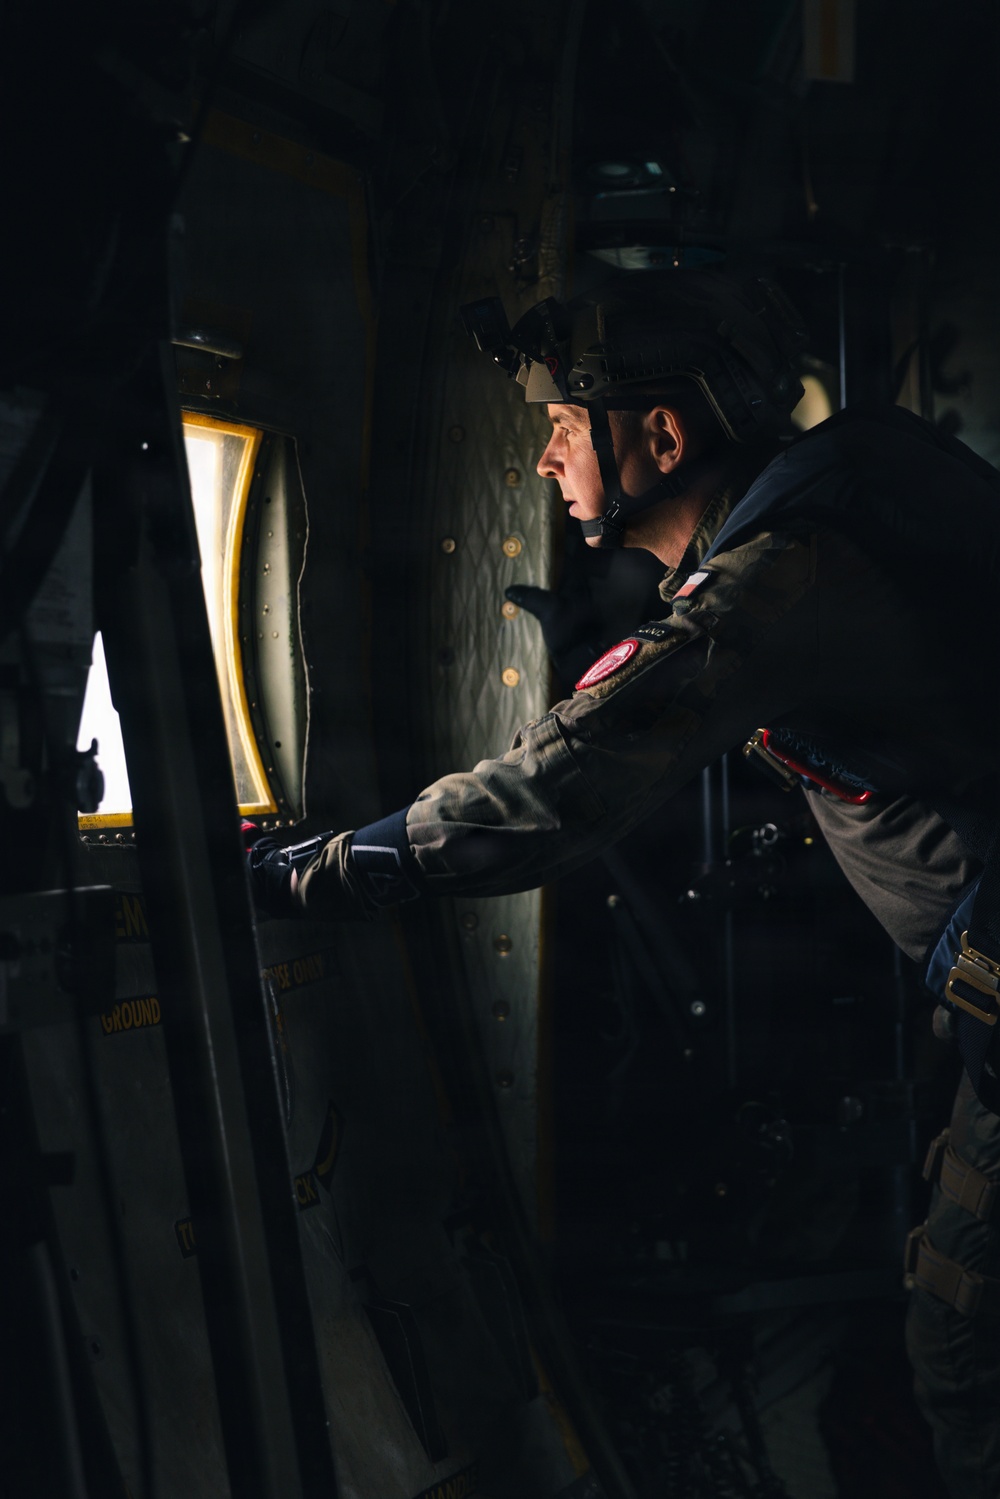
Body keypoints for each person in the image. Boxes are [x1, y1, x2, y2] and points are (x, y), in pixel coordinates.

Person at [249, 268, 1000, 1496]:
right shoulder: (818, 519)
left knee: (969, 1352)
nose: (545, 461)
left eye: (559, 426)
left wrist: (305, 873)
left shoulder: (776, 580)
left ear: (661, 432)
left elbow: (551, 795)